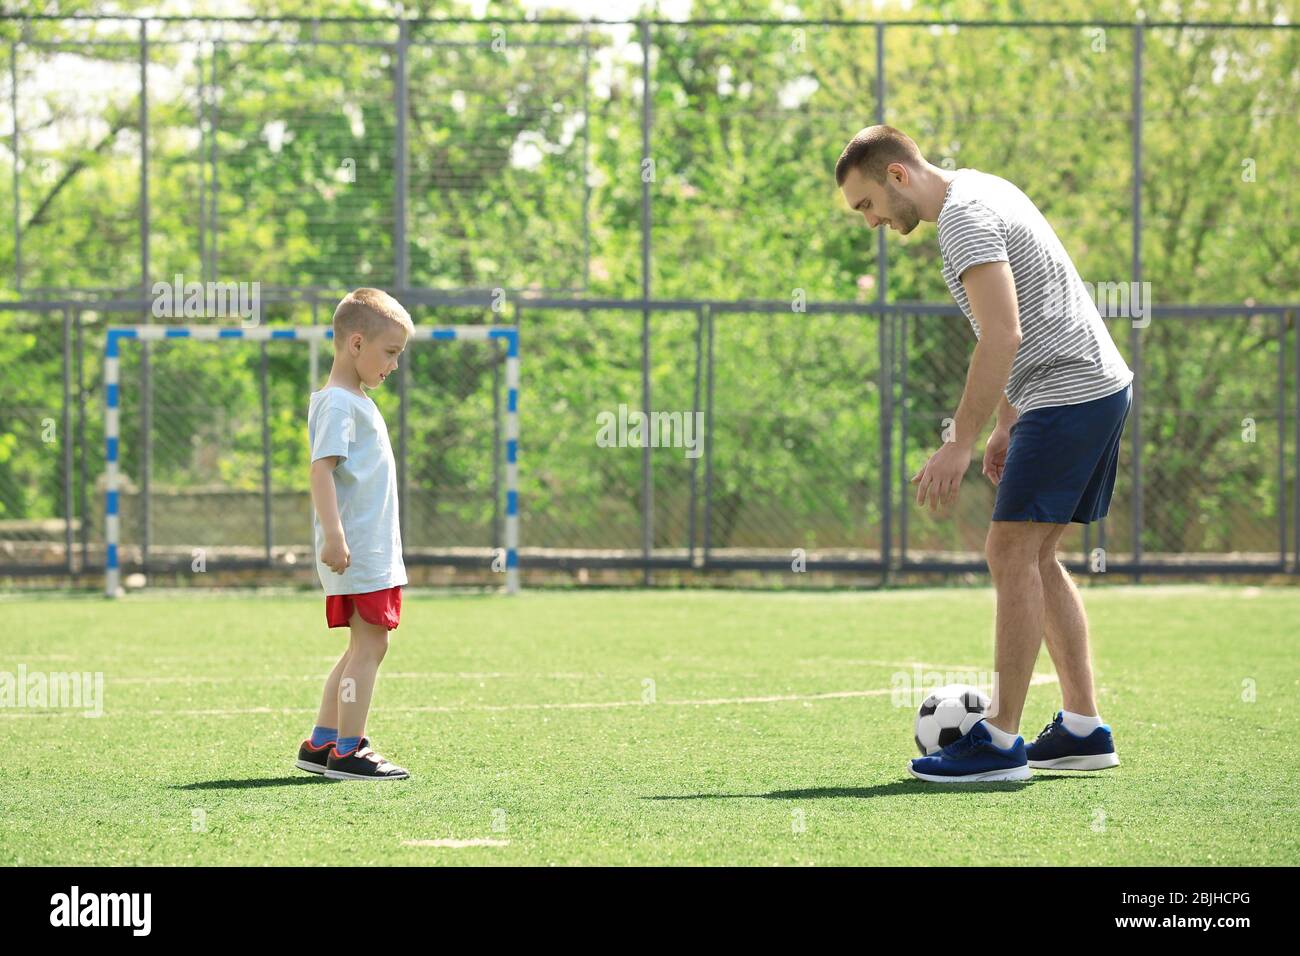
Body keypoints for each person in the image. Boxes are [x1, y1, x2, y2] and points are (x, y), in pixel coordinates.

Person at [836, 125, 1130, 783]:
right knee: (1037, 553)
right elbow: (1015, 326)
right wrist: (1005, 421)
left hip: (1070, 389)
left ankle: (999, 742)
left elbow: (1004, 333)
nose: (871, 222)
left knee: (1009, 551)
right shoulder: (981, 190)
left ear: (897, 176)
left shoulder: (964, 219)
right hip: (1090, 387)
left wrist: (959, 441)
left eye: (867, 205)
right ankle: (1084, 728)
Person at [294, 288, 414, 781]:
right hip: (359, 550)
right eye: (390, 353)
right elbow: (321, 471)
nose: (394, 365)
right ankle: (349, 750)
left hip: (367, 549)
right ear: (357, 344)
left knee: (359, 647)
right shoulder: (340, 404)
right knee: (371, 647)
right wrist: (334, 538)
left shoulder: (351, 400)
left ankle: (322, 742)